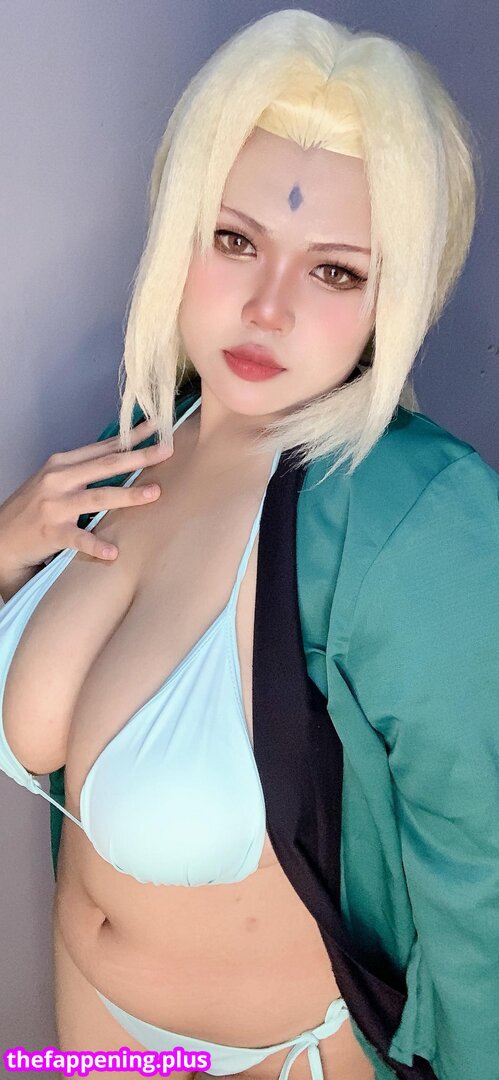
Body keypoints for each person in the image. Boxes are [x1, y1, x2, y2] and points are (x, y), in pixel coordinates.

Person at [0, 9, 497, 1080]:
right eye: (235, 241)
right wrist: (3, 551)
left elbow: (484, 872)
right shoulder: (138, 439)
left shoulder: (418, 517)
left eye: (335, 272)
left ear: (394, 299)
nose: (266, 309)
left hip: (284, 1057)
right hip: (90, 1037)